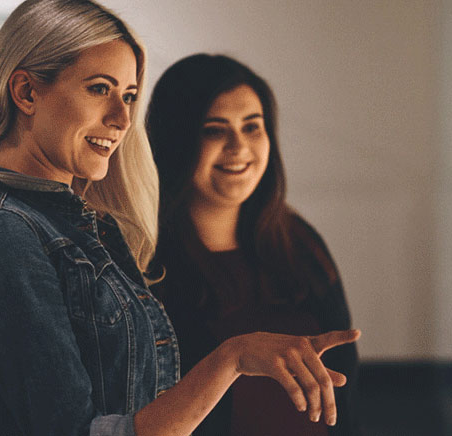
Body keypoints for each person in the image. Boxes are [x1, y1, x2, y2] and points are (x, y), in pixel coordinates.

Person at [0, 0, 359, 436]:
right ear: (26, 91)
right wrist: (231, 359)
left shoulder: (83, 225)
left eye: (129, 95)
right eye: (99, 89)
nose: (122, 118)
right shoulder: (0, 231)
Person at [145, 54, 361, 435]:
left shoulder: (299, 242)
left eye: (252, 127)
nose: (238, 147)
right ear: (177, 139)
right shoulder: (143, 261)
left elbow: (346, 395)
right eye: (215, 130)